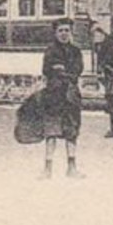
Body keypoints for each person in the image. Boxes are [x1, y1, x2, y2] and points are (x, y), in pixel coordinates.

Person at [32, 17, 85, 178]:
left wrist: (61, 70)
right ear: (55, 33)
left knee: (71, 131)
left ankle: (72, 168)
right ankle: (47, 169)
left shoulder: (76, 51)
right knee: (51, 132)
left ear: (71, 32)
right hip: (53, 96)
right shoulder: (50, 51)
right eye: (60, 31)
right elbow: (47, 70)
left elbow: (77, 71)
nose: (64, 34)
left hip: (70, 96)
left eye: (66, 30)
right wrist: (63, 71)